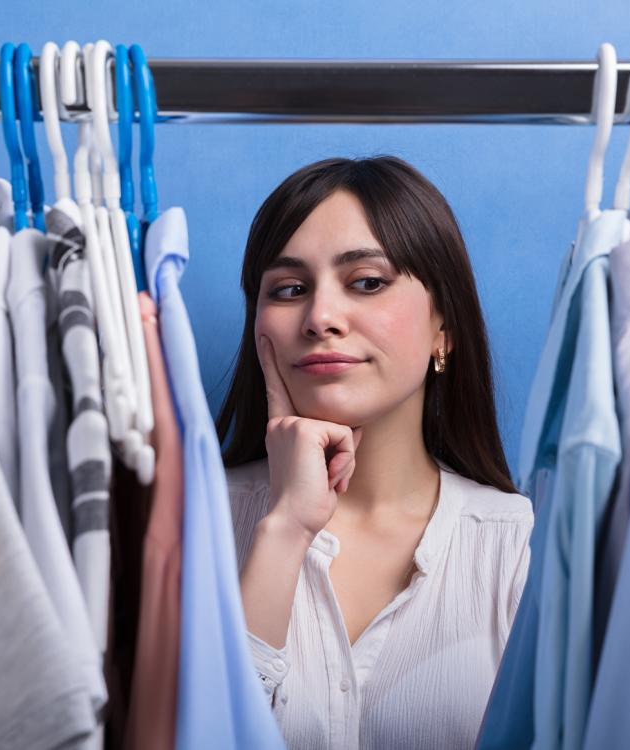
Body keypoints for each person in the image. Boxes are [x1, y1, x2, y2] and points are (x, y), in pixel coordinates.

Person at [216, 156, 533, 750]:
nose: (320, 318)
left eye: (367, 281)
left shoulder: (518, 548)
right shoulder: (193, 523)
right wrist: (285, 529)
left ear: (444, 326)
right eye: (288, 289)